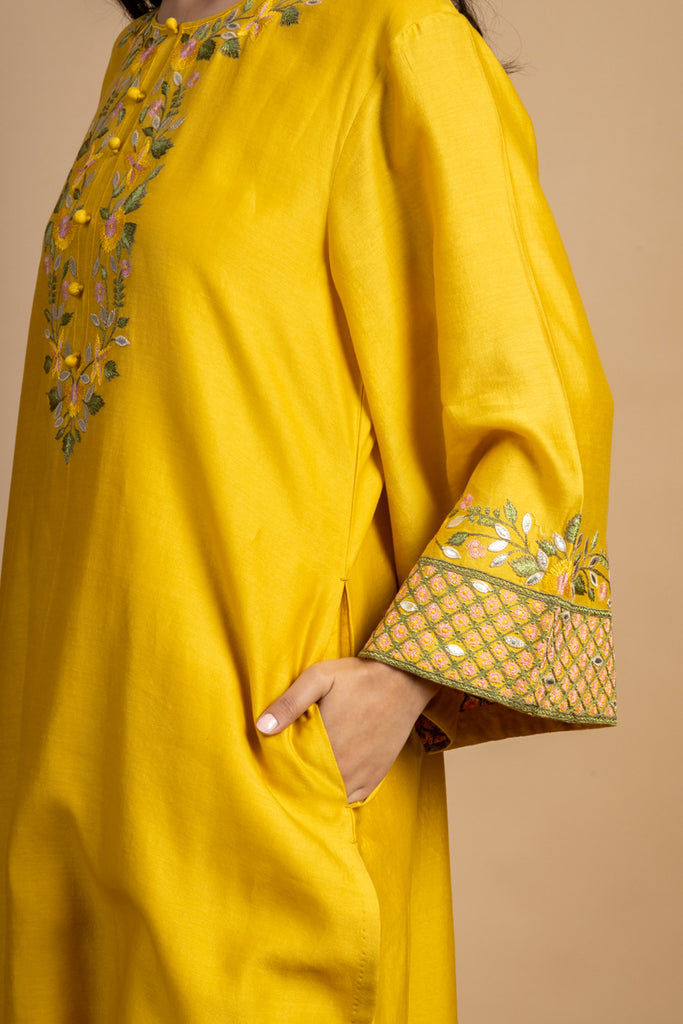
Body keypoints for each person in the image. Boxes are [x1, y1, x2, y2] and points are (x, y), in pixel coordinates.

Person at [0, 0, 617, 1020]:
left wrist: (406, 679)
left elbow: (537, 412)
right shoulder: (141, 58)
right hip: (71, 775)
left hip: (256, 779)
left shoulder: (396, 43)